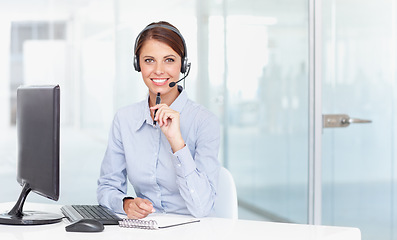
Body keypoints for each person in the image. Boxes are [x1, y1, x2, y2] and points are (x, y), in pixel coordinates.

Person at [97, 21, 221, 219]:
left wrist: (177, 143)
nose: (159, 70)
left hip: (195, 230)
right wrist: (127, 204)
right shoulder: (125, 119)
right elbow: (107, 187)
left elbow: (202, 208)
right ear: (138, 64)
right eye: (149, 60)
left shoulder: (205, 122)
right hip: (145, 229)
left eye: (169, 60)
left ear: (183, 64)